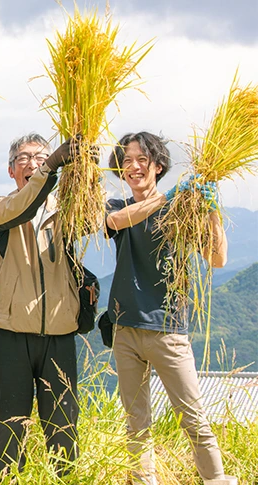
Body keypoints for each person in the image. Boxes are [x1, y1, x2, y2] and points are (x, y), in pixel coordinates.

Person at [105, 132, 237, 485]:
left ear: (158, 165)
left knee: (192, 416)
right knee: (137, 422)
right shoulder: (117, 208)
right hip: (126, 329)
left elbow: (218, 258)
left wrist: (210, 209)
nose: (133, 167)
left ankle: (216, 479)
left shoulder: (180, 211)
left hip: (168, 329)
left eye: (141, 160)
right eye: (126, 161)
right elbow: (116, 223)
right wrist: (168, 196)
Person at [0, 134, 81, 477]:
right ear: (11, 169)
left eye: (40, 156)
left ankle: (66, 478)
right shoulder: (1, 207)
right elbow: (24, 205)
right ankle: (8, 479)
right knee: (10, 424)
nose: (33, 163)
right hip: (13, 331)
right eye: (24, 158)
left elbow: (91, 219)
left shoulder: (66, 212)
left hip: (60, 330)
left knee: (63, 423)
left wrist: (84, 170)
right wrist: (52, 164)